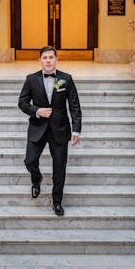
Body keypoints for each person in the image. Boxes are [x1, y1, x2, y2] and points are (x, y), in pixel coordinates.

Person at [18, 46, 82, 216]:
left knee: (59, 168)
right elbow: (22, 103)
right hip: (37, 127)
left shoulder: (66, 79)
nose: (48, 60)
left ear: (56, 59)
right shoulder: (31, 79)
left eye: (51, 57)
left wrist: (76, 130)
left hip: (60, 129)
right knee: (30, 161)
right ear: (40, 60)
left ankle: (57, 202)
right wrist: (37, 111)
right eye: (45, 58)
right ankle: (36, 178)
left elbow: (74, 105)